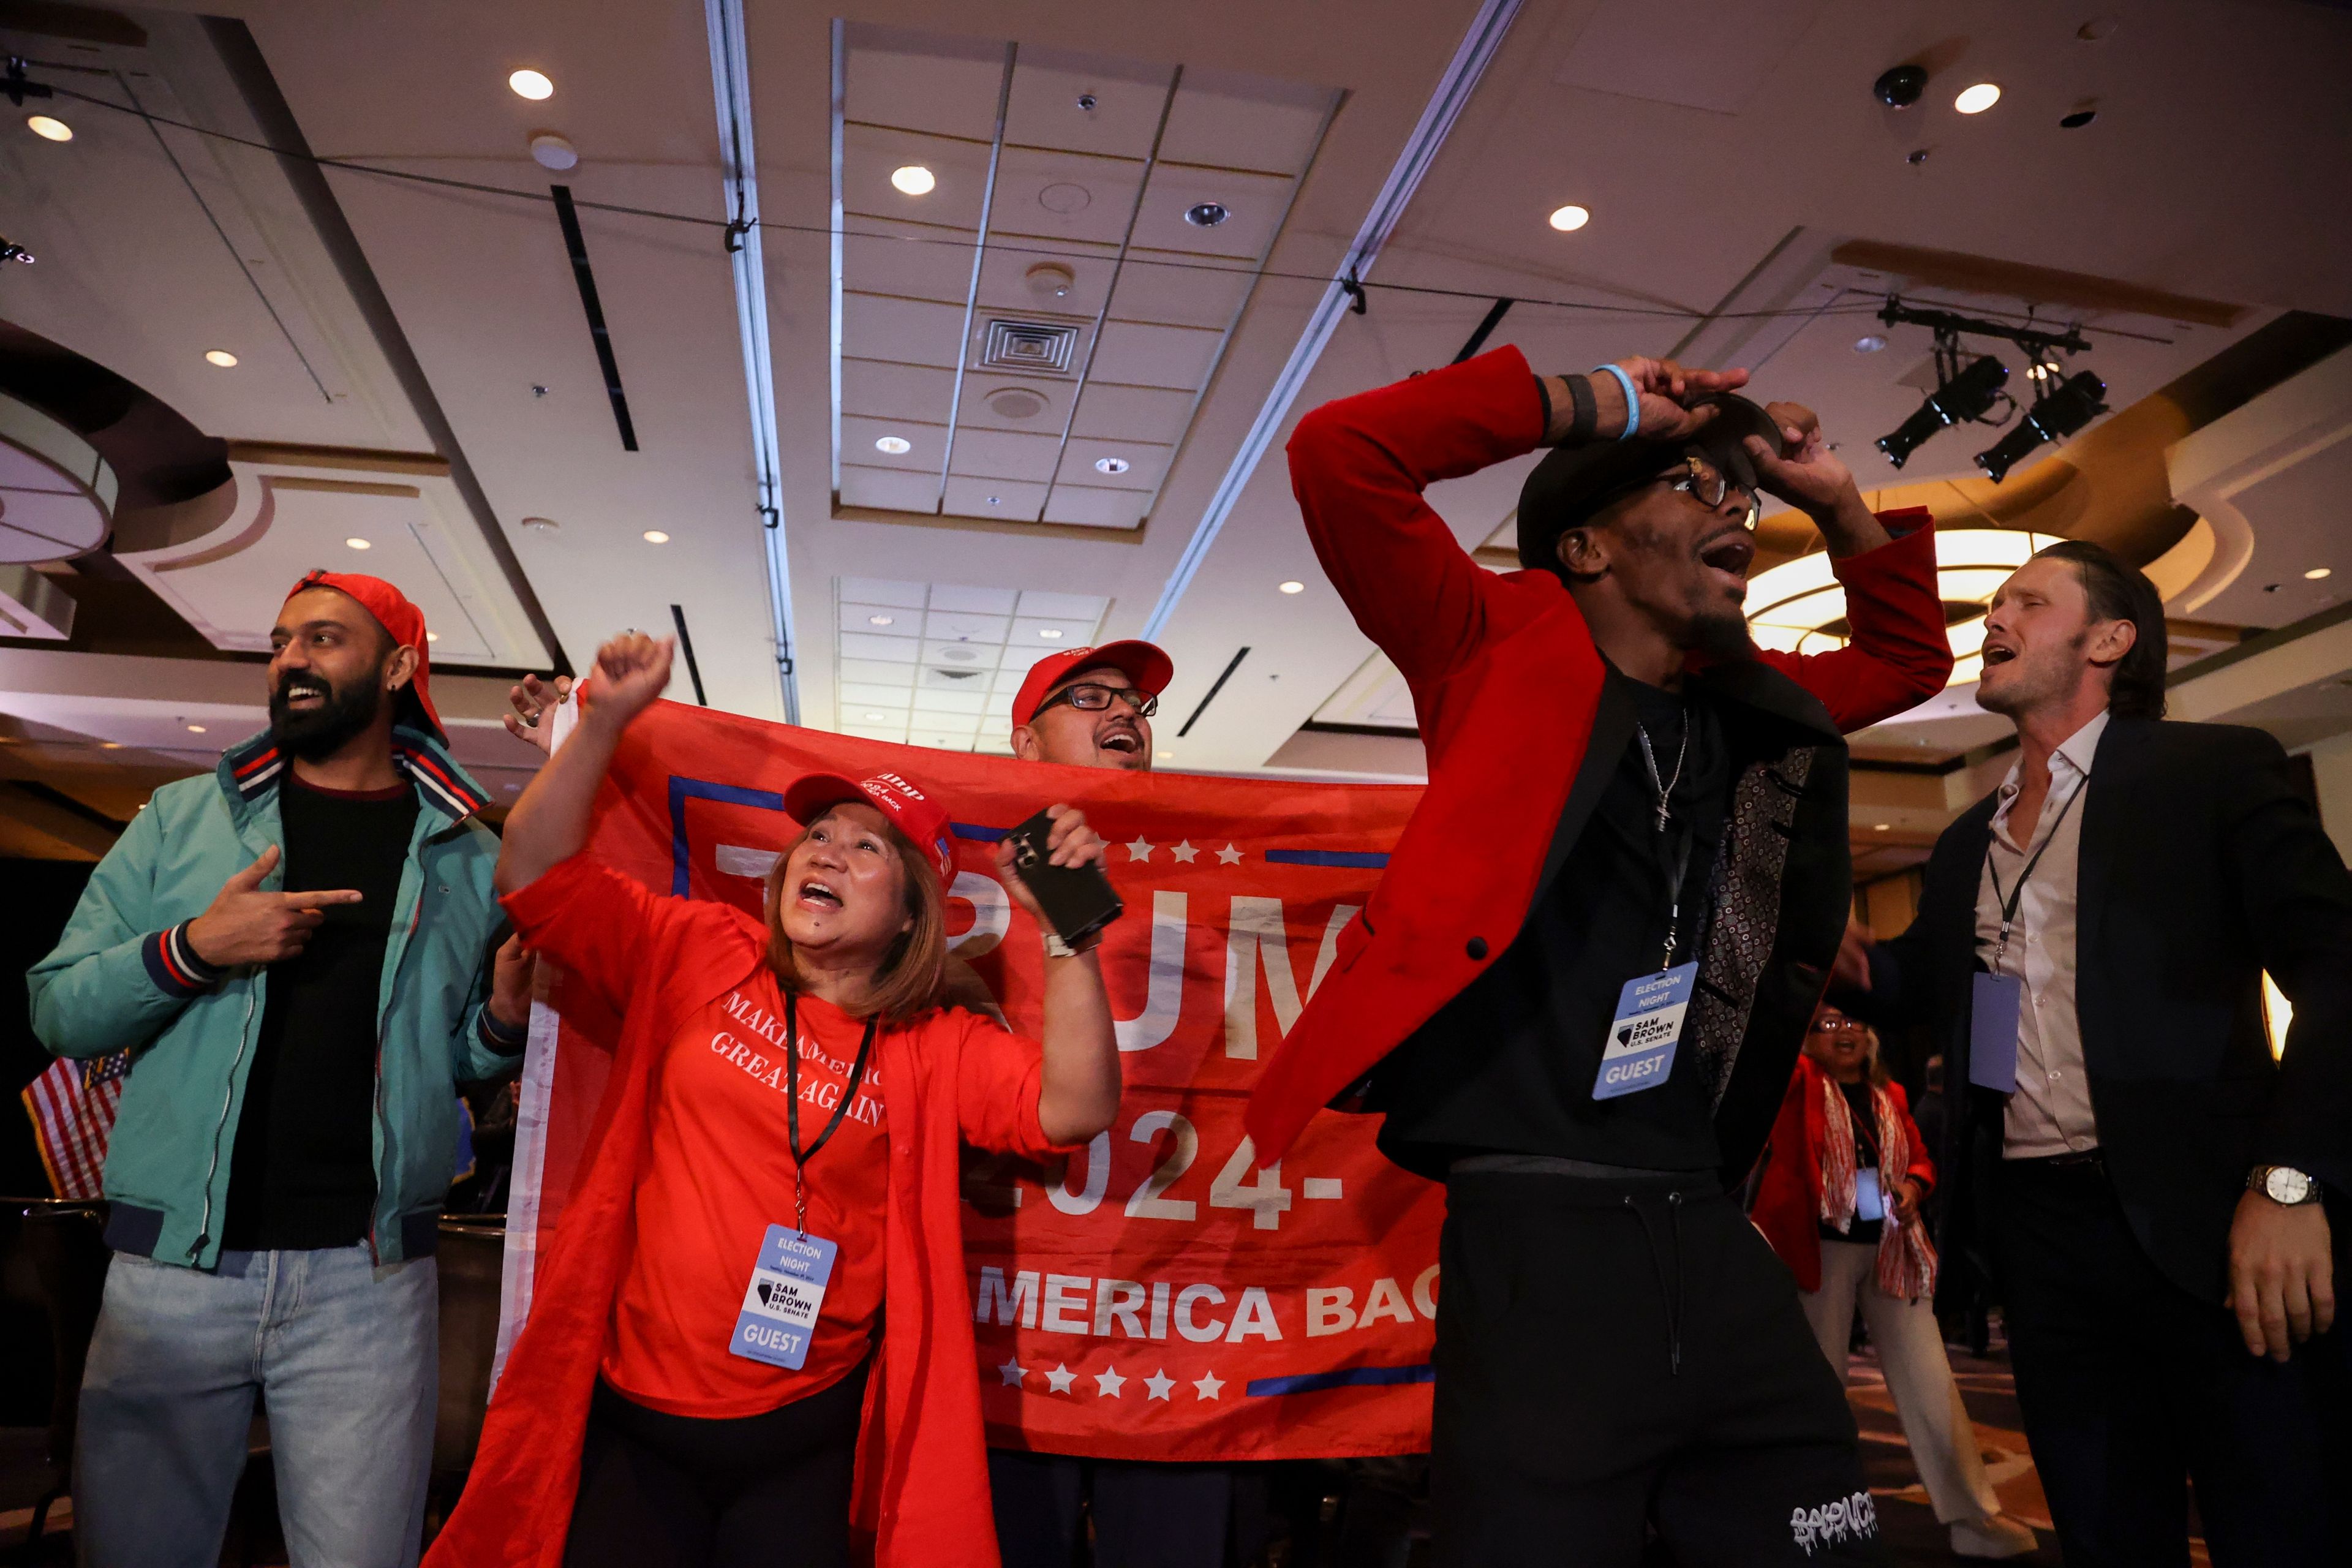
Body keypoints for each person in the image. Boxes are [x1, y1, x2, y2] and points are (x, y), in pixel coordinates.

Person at [1243, 347, 1954, 1566]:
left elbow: (1907, 660)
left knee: (1822, 1526)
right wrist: (1600, 402)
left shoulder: (1745, 700)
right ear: (1587, 548)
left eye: (1742, 499)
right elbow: (1339, 453)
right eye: (1695, 486)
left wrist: (1836, 502)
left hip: (1703, 1212)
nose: (1736, 510)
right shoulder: (1487, 643)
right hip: (1539, 1232)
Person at [429, 631, 1126, 1568]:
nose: (826, 853)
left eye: (865, 846)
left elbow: (1073, 1110)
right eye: (818, 836)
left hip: (802, 1437)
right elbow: (536, 879)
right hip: (636, 1424)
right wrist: (602, 723)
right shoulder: (704, 951)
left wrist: (1067, 936)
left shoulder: (933, 1042)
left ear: (914, 911)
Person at [1833, 540, 2351, 1565]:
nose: (1995, 618)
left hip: (2215, 1224)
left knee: (2280, 1519)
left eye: (2028, 601)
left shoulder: (2210, 770)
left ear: (2110, 639)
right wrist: (1822, 948)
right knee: (2106, 1529)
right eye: (1993, 604)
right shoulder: (1963, 842)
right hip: (2040, 1240)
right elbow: (1920, 987)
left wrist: (2291, 1184)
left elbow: (2338, 975)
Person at [29, 570, 530, 1568]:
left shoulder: (469, 856)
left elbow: (455, 1059)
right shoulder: (182, 820)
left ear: (397, 667)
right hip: (170, 1278)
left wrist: (506, 1020)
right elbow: (59, 1007)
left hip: (371, 1288)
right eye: (282, 639)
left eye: (325, 639)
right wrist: (194, 948)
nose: (292, 658)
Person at [1752, 1006, 2038, 1558]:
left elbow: (1922, 1160)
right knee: (1823, 1393)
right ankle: (1818, 1524)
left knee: (1933, 1384)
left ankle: (1974, 1521)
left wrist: (1912, 1185)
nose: (1846, 1032)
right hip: (1820, 1251)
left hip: (1890, 1247)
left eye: (1855, 1024)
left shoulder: (1893, 1098)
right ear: (1808, 1039)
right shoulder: (1800, 1085)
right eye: (1829, 1025)